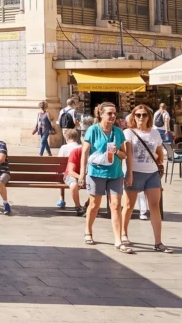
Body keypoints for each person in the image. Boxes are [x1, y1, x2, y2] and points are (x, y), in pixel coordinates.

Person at [79, 102, 133, 253]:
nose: (113, 116)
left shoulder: (118, 132)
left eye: (114, 113)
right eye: (109, 113)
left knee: (115, 205)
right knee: (94, 205)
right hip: (96, 173)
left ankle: (117, 240)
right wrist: (82, 173)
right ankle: (88, 230)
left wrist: (117, 152)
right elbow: (85, 152)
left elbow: (124, 154)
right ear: (101, 114)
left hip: (115, 173)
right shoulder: (93, 130)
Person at [121, 105, 172, 253]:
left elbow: (159, 150)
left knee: (154, 206)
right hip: (135, 172)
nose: (141, 117)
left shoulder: (154, 133)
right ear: (133, 116)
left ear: (149, 117)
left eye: (144, 115)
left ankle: (158, 242)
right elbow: (128, 154)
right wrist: (129, 174)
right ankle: (123, 234)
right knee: (129, 205)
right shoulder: (128, 132)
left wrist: (160, 162)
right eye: (138, 115)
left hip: (152, 173)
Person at [57, 129, 84, 215]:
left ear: (67, 138)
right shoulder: (79, 148)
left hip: (66, 173)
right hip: (73, 172)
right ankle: (79, 206)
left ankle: (61, 198)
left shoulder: (63, 147)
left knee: (60, 174)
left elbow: (59, 161)